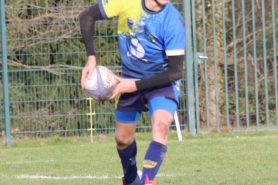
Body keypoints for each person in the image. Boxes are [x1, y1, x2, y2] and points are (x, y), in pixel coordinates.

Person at [79, 0, 185, 184]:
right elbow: (87, 15)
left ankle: (147, 181)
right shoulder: (127, 2)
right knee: (122, 139)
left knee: (161, 127)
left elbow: (175, 71)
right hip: (128, 78)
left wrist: (133, 85)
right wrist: (91, 58)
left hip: (162, 82)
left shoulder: (173, 20)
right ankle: (130, 180)